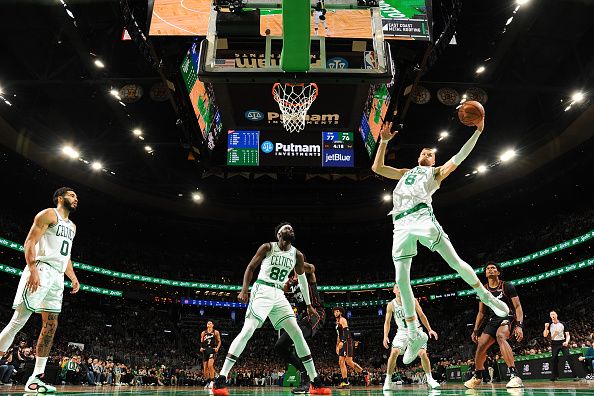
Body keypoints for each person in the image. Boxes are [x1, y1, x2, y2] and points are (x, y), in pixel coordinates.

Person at [371, 119, 510, 364]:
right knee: (401, 279)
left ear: (433, 161)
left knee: (454, 261)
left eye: (431, 153)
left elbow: (460, 155)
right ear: (418, 157)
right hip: (400, 224)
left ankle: (487, 297)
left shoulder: (435, 173)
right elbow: (378, 168)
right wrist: (383, 140)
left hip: (423, 218)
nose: (427, 153)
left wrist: (477, 132)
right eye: (424, 152)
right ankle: (414, 335)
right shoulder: (405, 173)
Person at [212, 223, 330, 395]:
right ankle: (221, 378)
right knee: (248, 330)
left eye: (292, 228)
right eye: (286, 228)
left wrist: (309, 304)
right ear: (279, 234)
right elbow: (251, 267)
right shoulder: (268, 247)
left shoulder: (297, 255)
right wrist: (244, 289)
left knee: (296, 333)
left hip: (279, 294)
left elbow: (303, 279)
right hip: (263, 289)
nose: (290, 229)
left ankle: (315, 381)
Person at [0, 187, 80, 393]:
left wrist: (72, 277)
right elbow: (30, 242)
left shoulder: (72, 226)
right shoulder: (47, 214)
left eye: (76, 196)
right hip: (41, 270)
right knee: (19, 320)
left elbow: (66, 256)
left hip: (58, 276)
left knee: (51, 324)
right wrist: (33, 268)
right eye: (72, 195)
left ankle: (36, 378)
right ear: (60, 198)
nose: (76, 198)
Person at [464, 262, 524, 389]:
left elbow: (518, 307)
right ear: (485, 273)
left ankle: (514, 376)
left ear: (498, 272)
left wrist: (519, 325)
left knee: (500, 336)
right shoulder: (483, 290)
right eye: (488, 268)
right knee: (480, 345)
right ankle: (478, 376)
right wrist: (475, 330)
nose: (490, 270)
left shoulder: (507, 286)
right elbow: (481, 312)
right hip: (492, 319)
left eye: (493, 268)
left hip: (508, 316)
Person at [275, 262, 326, 394]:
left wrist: (293, 258)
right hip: (301, 317)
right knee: (280, 346)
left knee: (299, 337)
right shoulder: (291, 280)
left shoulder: (308, 275)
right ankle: (304, 371)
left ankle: (308, 381)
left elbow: (312, 268)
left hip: (315, 313)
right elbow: (283, 287)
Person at [382, 284, 440, 390]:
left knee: (423, 354)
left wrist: (430, 329)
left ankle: (430, 379)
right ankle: (388, 380)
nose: (399, 288)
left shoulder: (412, 300)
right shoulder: (391, 305)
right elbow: (387, 322)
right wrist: (385, 336)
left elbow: (421, 315)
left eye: (401, 286)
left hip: (416, 330)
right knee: (394, 352)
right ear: (394, 291)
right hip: (402, 333)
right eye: (397, 287)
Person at [333, 307, 366, 388]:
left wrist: (342, 341)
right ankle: (345, 381)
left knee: (349, 362)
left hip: (347, 342)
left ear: (340, 312)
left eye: (337, 311)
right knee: (341, 362)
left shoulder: (342, 320)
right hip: (342, 342)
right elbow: (338, 335)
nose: (335, 313)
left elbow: (346, 331)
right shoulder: (337, 322)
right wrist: (337, 345)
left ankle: (364, 373)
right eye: (334, 312)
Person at [543, 310, 579, 381]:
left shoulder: (563, 324)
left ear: (556, 315)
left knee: (568, 357)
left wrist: (566, 341)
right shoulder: (549, 324)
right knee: (554, 359)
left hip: (562, 343)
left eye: (553, 314)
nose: (552, 316)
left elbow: (568, 335)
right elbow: (545, 335)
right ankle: (555, 376)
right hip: (554, 344)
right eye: (551, 315)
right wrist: (546, 328)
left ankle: (575, 376)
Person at [200, 320, 221, 389]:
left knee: (210, 365)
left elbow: (219, 341)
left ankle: (212, 381)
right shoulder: (203, 333)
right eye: (208, 323)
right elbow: (202, 342)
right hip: (205, 350)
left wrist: (217, 348)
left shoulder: (216, 332)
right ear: (207, 325)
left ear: (213, 325)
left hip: (212, 349)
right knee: (205, 369)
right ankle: (208, 381)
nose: (209, 323)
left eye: (210, 323)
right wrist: (201, 347)